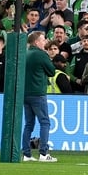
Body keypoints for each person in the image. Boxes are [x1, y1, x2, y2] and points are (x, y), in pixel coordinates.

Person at [21, 31, 57, 162]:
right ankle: (43, 153)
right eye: (43, 39)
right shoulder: (41, 54)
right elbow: (52, 71)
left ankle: (26, 154)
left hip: (25, 93)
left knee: (28, 124)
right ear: (36, 42)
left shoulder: (24, 53)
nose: (45, 41)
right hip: (38, 93)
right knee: (45, 122)